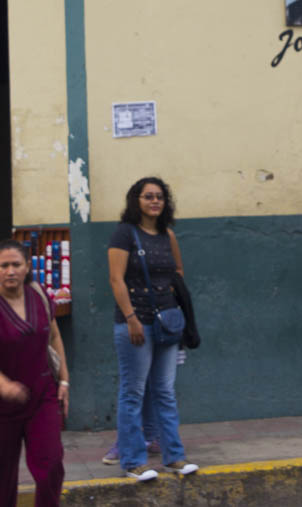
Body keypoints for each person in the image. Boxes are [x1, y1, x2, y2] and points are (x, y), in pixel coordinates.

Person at [107, 177, 199, 482]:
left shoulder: (166, 234)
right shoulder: (124, 234)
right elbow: (116, 279)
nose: (155, 201)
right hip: (135, 324)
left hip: (167, 323)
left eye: (159, 196)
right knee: (133, 393)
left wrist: (168, 296)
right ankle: (133, 462)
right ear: (136, 200)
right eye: (148, 196)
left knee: (165, 391)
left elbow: (178, 271)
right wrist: (131, 317)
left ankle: (174, 458)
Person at [0, 240, 70, 505]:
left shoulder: (40, 297)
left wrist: (64, 381)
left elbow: (54, 336)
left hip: (41, 399)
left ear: (27, 267)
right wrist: (3, 386)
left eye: (16, 264)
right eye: (4, 266)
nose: (10, 271)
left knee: (51, 466)